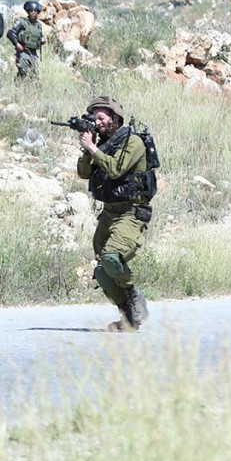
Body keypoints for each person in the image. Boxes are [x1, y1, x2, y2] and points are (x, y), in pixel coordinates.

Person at [75, 96, 155, 332]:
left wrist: (91, 146)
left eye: (101, 118)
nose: (97, 122)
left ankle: (134, 296)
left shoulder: (133, 142)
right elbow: (83, 173)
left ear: (115, 118)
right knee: (102, 272)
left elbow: (115, 169)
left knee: (112, 257)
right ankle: (129, 318)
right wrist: (88, 149)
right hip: (109, 213)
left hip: (131, 212)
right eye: (94, 118)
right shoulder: (102, 144)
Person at [6, 0, 45, 80]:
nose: (33, 12)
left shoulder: (38, 25)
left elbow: (39, 37)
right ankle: (17, 87)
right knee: (23, 71)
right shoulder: (22, 22)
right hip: (23, 51)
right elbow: (10, 33)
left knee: (34, 75)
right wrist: (16, 44)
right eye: (31, 11)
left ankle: (30, 90)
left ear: (37, 12)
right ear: (28, 12)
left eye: (35, 11)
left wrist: (42, 40)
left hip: (33, 53)